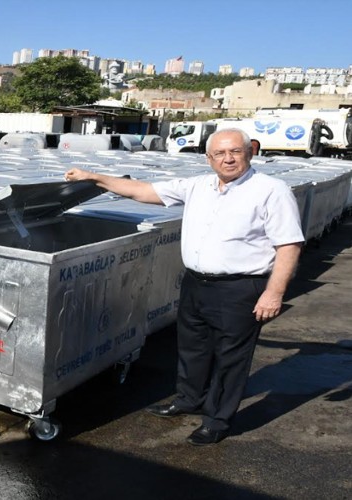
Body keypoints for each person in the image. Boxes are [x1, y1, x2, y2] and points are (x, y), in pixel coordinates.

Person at [64, 128, 304, 445]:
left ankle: (217, 419)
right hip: (196, 283)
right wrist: (93, 177)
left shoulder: (271, 190)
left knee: (230, 357)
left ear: (250, 152)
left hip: (240, 287)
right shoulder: (197, 186)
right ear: (208, 158)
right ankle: (188, 399)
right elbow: (142, 191)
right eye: (219, 153)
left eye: (235, 151)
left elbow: (289, 245)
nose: (228, 158)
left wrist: (274, 293)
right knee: (193, 347)